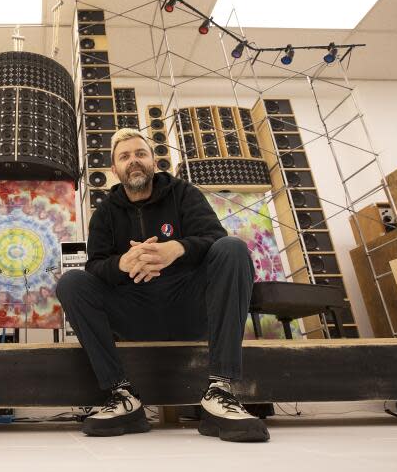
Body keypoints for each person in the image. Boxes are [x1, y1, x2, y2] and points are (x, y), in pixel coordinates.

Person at [55, 128, 269, 442]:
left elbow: (214, 238)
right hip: (134, 314)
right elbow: (96, 266)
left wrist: (176, 249)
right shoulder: (104, 213)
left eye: (140, 154)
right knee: (72, 282)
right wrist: (122, 263)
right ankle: (123, 395)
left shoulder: (183, 193)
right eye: (125, 157)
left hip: (189, 307)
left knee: (233, 248)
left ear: (154, 161)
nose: (134, 161)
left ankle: (220, 391)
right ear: (115, 169)